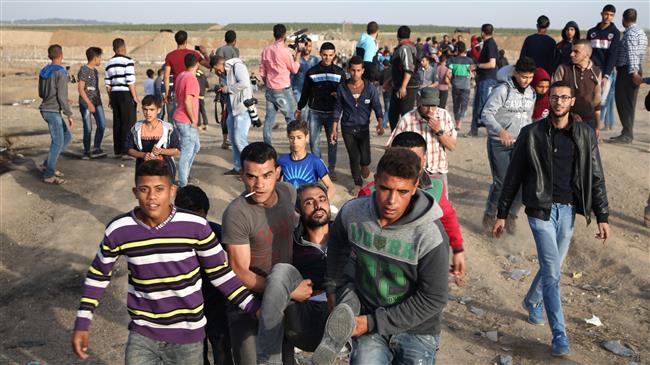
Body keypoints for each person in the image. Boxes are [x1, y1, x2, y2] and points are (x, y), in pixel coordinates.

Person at [71, 160, 260, 364]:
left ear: (171, 190)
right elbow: (98, 275)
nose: (152, 197)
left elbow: (220, 274)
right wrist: (83, 321)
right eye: (144, 189)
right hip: (143, 333)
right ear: (135, 192)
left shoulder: (196, 226)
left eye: (159, 189)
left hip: (188, 336)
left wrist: (254, 308)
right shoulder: (119, 230)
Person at [492, 80, 610, 357]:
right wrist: (502, 213)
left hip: (568, 211)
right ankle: (560, 335)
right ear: (549, 102)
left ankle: (532, 301)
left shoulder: (584, 134)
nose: (558, 102)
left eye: (564, 97)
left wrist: (602, 215)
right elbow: (513, 177)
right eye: (554, 97)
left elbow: (596, 176)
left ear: (571, 102)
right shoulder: (531, 133)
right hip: (540, 211)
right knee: (553, 273)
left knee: (552, 266)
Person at [317, 148, 449, 365]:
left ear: (416, 186)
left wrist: (371, 323)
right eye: (385, 189)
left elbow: (434, 298)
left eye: (402, 192)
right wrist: (332, 287)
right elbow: (337, 247)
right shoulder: (352, 213)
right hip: (369, 319)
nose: (392, 201)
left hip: (417, 330)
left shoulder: (430, 234)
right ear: (376, 180)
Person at [221, 142, 298, 364]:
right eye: (252, 177)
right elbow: (239, 272)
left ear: (278, 173)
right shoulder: (237, 213)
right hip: (248, 301)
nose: (259, 184)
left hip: (283, 295)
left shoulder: (288, 193)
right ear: (242, 176)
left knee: (285, 358)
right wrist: (286, 291)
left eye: (266, 175)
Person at [358, 131, 465, 284]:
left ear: (425, 159)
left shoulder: (436, 187)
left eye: (415, 160)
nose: (408, 167)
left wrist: (458, 249)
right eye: (402, 159)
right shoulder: (369, 193)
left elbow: (447, 217)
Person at [256, 183, 333, 365]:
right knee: (280, 271)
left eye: (322, 200)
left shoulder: (345, 236)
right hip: (303, 312)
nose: (318, 205)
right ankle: (268, 360)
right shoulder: (291, 243)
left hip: (339, 306)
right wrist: (291, 293)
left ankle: (337, 343)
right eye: (309, 202)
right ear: (298, 209)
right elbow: (277, 281)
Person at [173, 185, 234, 365]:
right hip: (185, 306)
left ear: (206, 213)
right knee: (195, 353)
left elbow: (238, 257)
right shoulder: (168, 239)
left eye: (198, 217)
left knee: (222, 347)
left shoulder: (217, 232)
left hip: (216, 301)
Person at [481, 57, 537, 232]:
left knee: (523, 182)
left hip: (520, 144)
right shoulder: (502, 90)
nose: (526, 81)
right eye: (523, 77)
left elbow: (529, 118)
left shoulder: (531, 93)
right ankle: (490, 214)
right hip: (499, 144)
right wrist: (500, 131)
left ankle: (511, 215)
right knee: (502, 181)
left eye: (530, 77)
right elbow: (486, 114)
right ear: (515, 73)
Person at [387, 87, 457, 196]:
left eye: (433, 106)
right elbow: (390, 148)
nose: (430, 110)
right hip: (414, 174)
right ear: (419, 102)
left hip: (438, 171)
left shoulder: (444, 116)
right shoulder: (407, 119)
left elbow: (452, 146)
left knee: (440, 209)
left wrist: (439, 131)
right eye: (426, 105)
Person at [331, 56, 384, 195]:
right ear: (349, 70)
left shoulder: (370, 88)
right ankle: (357, 183)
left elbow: (377, 106)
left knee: (365, 156)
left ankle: (365, 165)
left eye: (358, 70)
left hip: (363, 127)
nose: (355, 73)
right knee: (354, 156)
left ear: (363, 71)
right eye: (353, 70)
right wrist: (334, 127)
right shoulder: (342, 88)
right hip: (347, 127)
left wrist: (380, 122)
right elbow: (338, 108)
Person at [211, 55, 254, 176]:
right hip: (232, 110)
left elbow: (244, 83)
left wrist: (227, 89)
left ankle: (252, 168)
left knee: (240, 141)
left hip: (242, 109)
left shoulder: (237, 66)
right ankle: (238, 168)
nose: (216, 72)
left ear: (219, 64)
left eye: (216, 69)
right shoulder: (227, 72)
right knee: (234, 141)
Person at [38, 44, 74, 185]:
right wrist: (69, 114)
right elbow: (61, 95)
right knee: (58, 141)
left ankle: (48, 165)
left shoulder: (43, 71)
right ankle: (48, 174)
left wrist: (63, 100)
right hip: (52, 111)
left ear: (49, 56)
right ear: (62, 55)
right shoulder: (61, 72)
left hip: (46, 108)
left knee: (66, 136)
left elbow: (41, 93)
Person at [260, 24, 301, 146]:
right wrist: (297, 56)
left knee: (269, 120)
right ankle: (295, 147)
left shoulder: (266, 50)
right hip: (282, 90)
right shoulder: (285, 51)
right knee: (291, 119)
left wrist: (268, 84)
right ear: (284, 35)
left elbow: (262, 72)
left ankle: (267, 147)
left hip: (270, 89)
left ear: (274, 34)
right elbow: (294, 69)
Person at [611, 8, 647, 144]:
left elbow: (632, 54)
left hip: (628, 71)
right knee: (629, 103)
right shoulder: (641, 33)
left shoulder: (631, 34)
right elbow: (641, 55)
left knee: (623, 102)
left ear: (623, 19)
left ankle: (627, 134)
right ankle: (627, 132)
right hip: (635, 69)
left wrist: (634, 72)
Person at [553, 40, 603, 135]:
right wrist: (570, 114)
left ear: (587, 54)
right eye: (572, 51)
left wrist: (597, 127)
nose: (571, 54)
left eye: (576, 51)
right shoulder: (563, 69)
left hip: (589, 123)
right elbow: (555, 96)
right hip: (566, 122)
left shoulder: (596, 72)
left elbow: (597, 101)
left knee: (588, 149)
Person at [278, 120, 336, 201]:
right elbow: (275, 185)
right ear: (288, 137)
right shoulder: (281, 161)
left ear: (307, 137)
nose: (295, 141)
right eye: (292, 138)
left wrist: (322, 203)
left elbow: (331, 187)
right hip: (289, 208)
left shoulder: (315, 162)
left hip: (309, 208)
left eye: (299, 137)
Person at [126, 95, 180, 179]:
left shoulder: (168, 129)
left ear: (158, 110)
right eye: (145, 109)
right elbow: (129, 149)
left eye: (151, 109)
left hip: (165, 172)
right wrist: (143, 155)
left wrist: (162, 151)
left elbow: (178, 151)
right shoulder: (136, 128)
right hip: (143, 172)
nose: (148, 113)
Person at [587, 4, 620, 134]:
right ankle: (590, 127)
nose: (608, 17)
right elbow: (588, 51)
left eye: (611, 15)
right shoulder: (592, 32)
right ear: (601, 14)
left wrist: (606, 75)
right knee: (589, 97)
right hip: (592, 69)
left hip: (606, 72)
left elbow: (613, 55)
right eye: (606, 14)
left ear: (613, 16)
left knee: (602, 100)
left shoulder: (615, 33)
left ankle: (598, 130)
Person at [163, 30, 210, 121]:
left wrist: (167, 93)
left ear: (176, 41)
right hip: (191, 89)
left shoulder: (170, 56)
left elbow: (166, 77)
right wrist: (204, 53)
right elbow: (209, 65)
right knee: (190, 115)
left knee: (176, 116)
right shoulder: (193, 54)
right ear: (186, 41)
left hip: (178, 89)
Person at [105, 38, 137, 159]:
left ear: (114, 49)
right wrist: (135, 97)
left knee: (117, 122)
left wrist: (110, 98)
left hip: (114, 94)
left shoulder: (109, 62)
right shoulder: (128, 61)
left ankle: (118, 150)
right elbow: (130, 81)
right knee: (128, 122)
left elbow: (108, 84)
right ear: (124, 48)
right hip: (125, 94)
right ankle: (127, 151)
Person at [173, 53, 201, 187]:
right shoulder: (191, 78)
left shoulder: (181, 76)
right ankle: (183, 184)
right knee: (187, 152)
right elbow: (188, 100)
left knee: (195, 147)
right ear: (197, 64)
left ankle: (185, 176)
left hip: (180, 117)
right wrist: (194, 120)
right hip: (186, 120)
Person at [467, 24, 499, 137]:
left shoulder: (490, 44)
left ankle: (492, 130)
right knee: (478, 105)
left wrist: (477, 66)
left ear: (482, 33)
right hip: (483, 79)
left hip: (488, 80)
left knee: (484, 105)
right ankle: (474, 130)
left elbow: (492, 64)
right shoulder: (487, 43)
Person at [388, 25, 421, 130]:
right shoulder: (408, 47)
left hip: (407, 87)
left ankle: (404, 141)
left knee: (405, 116)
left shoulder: (405, 48)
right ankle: (396, 138)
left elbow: (408, 69)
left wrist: (403, 87)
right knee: (393, 114)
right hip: (399, 86)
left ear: (397, 36)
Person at [78, 46, 106, 160]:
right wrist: (89, 103)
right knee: (88, 128)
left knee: (102, 125)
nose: (100, 60)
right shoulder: (84, 70)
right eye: (100, 58)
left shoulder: (95, 71)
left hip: (97, 102)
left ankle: (96, 147)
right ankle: (86, 151)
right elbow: (80, 89)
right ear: (95, 58)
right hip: (86, 103)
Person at [290, 38, 319, 122]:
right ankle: (303, 128)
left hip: (311, 90)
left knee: (310, 111)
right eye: (305, 45)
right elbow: (292, 74)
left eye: (309, 46)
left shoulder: (315, 60)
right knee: (303, 109)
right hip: (298, 89)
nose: (307, 48)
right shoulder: (297, 59)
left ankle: (304, 129)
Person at [447, 42, 473, 131]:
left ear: (457, 50)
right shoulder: (470, 61)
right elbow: (473, 74)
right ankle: (460, 121)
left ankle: (457, 122)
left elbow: (448, 73)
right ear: (465, 50)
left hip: (455, 86)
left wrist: (450, 81)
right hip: (466, 86)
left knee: (456, 104)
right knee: (464, 105)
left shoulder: (452, 60)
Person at [379, 59, 392, 128]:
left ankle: (385, 123)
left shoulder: (382, 72)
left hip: (385, 92)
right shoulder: (392, 71)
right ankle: (384, 124)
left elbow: (380, 82)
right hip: (391, 92)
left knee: (386, 109)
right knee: (389, 109)